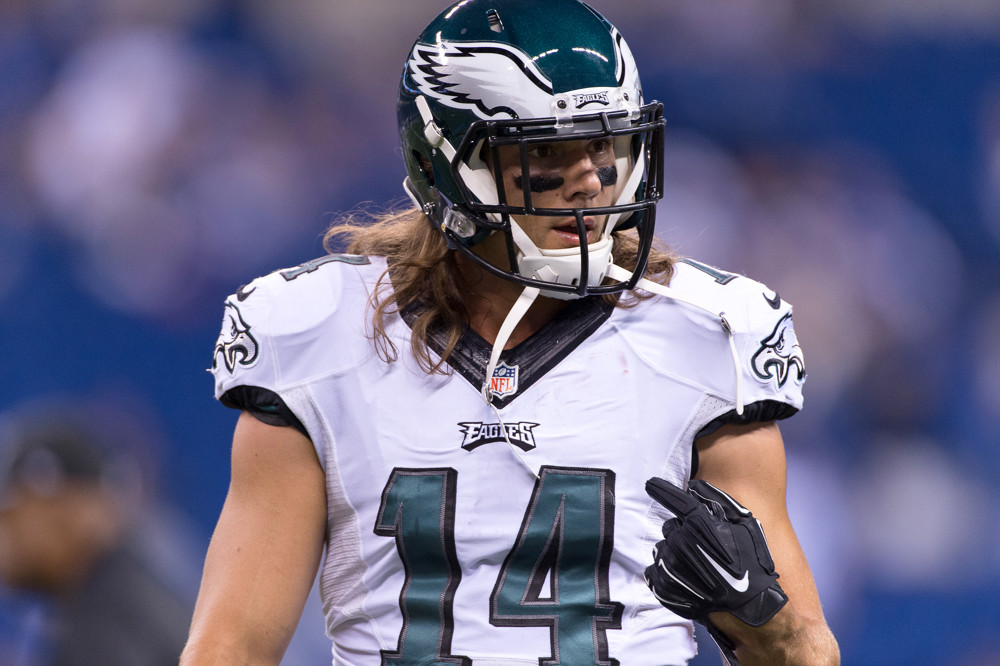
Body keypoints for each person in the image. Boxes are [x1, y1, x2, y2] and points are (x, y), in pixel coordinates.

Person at [183, 1, 839, 664]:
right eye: (549, 151)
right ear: (446, 165)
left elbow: (805, 652)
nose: (589, 181)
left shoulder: (708, 335)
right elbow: (232, 645)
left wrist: (763, 623)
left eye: (604, 144)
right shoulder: (323, 338)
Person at [0, 403, 194, 665]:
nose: (5, 534)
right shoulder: (126, 593)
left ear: (62, 509)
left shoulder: (106, 620)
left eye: (11, 513)